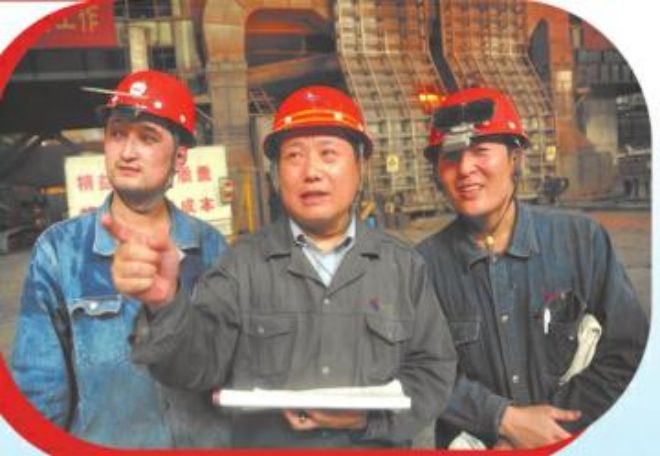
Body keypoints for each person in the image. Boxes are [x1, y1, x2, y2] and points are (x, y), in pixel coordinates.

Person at [105, 85, 457, 448]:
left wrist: (368, 419)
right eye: (294, 156)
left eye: (328, 153)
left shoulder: (403, 267)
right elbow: (195, 368)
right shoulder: (241, 266)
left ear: (360, 167)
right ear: (276, 175)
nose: (311, 172)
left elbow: (434, 369)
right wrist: (166, 305)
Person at [416, 87, 649, 449]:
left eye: (481, 151)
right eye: (451, 156)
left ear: (515, 158)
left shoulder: (581, 241)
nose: (465, 169)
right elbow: (418, 371)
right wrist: (503, 420)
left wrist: (546, 432)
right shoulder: (420, 268)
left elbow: (628, 351)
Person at [10, 70, 230, 448]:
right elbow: (39, 391)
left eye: (147, 137)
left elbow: (230, 367)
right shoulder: (60, 252)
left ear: (179, 156)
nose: (127, 152)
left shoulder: (211, 248)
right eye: (117, 134)